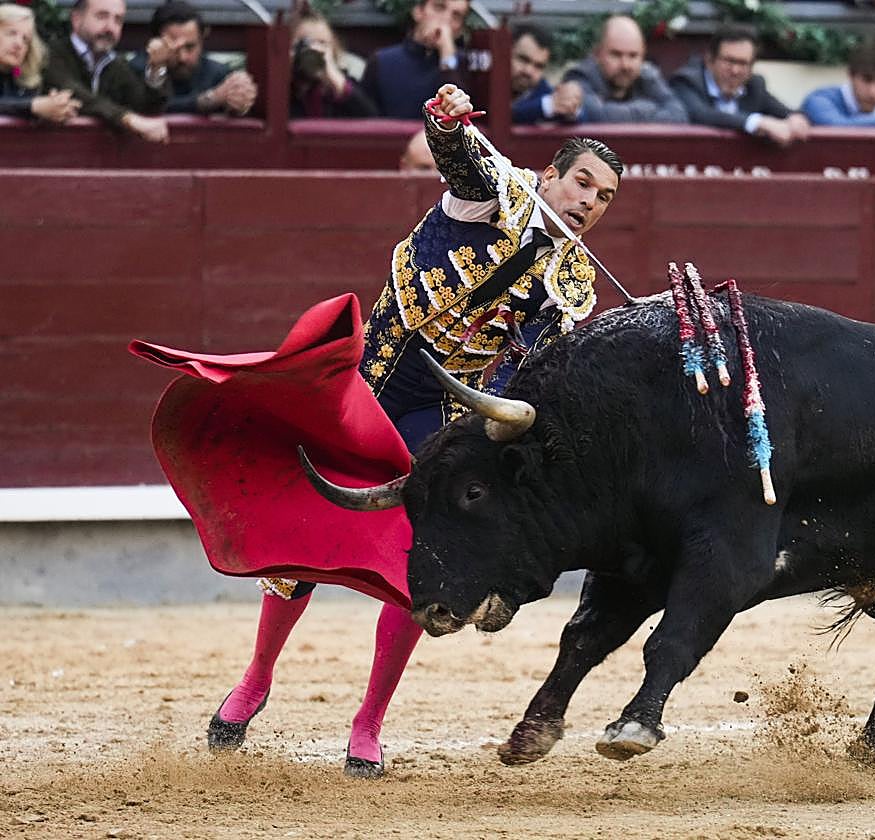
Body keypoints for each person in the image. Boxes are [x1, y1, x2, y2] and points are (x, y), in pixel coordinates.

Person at [207, 82, 624, 779]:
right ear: (550, 175)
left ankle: (368, 722)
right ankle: (256, 678)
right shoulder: (497, 193)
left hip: (445, 410)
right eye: (582, 181)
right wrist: (445, 120)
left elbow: (535, 372)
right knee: (304, 528)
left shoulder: (573, 280)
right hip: (373, 379)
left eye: (605, 197)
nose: (590, 201)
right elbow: (458, 159)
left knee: (423, 555)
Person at [43, 0, 171, 142]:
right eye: (102, 16)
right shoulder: (51, 55)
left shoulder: (116, 64)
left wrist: (156, 68)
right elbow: (75, 94)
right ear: (76, 19)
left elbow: (146, 110)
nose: (110, 27)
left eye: (118, 20)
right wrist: (126, 118)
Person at [669, 23, 808, 146]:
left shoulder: (754, 85)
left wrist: (795, 119)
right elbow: (701, 115)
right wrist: (756, 122)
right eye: (729, 61)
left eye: (743, 63)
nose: (735, 71)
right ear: (709, 60)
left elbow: (785, 112)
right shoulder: (686, 81)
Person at [128, 0, 256, 116]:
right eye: (173, 48)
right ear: (155, 43)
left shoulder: (218, 74)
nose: (182, 57)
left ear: (203, 38)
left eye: (190, 47)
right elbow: (147, 106)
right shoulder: (135, 71)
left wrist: (240, 99)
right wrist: (210, 99)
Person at [563, 15, 687, 124]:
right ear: (597, 54)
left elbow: (679, 116)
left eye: (633, 55)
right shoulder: (580, 76)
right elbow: (598, 117)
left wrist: (611, 110)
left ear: (643, 56)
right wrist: (650, 108)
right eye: (616, 55)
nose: (625, 65)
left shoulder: (647, 76)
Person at [360, 0, 469, 118]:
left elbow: (460, 116)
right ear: (418, 11)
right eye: (439, 7)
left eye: (456, 16)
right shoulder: (381, 61)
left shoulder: (465, 65)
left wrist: (447, 56)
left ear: (460, 30)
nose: (445, 19)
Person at [0, 3, 80, 122]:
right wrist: (34, 106)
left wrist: (54, 106)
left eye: (25, 39)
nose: (19, 44)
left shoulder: (20, 78)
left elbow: (18, 105)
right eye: (11, 33)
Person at [289, 10, 377, 118]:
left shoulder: (343, 84)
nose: (314, 49)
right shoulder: (279, 87)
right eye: (305, 43)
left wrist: (337, 81)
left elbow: (372, 119)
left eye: (322, 43)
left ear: (333, 49)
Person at [510, 22, 582, 125]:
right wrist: (546, 106)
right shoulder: (484, 85)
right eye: (523, 59)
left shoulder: (543, 92)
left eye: (538, 66)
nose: (528, 71)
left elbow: (581, 121)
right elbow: (499, 117)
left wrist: (571, 104)